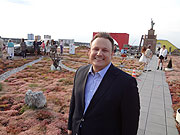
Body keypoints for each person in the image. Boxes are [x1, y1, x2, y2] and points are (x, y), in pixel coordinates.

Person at [68, 32, 140, 135]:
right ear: (89, 51)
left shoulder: (126, 83)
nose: (99, 54)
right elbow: (74, 103)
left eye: (105, 50)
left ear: (112, 53)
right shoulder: (80, 72)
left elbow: (130, 122)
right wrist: (70, 128)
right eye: (96, 49)